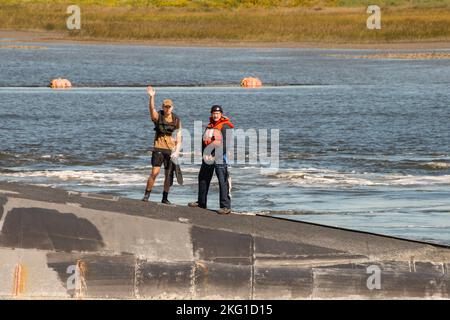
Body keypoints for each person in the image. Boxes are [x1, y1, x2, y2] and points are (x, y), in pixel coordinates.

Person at [188, 105, 234, 214]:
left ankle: (225, 207)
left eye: (217, 113)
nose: (215, 115)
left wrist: (215, 156)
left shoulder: (225, 126)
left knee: (223, 181)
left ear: (221, 114)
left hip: (220, 157)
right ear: (211, 114)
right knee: (203, 178)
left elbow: (226, 145)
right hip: (207, 157)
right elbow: (204, 141)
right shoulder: (209, 126)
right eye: (214, 113)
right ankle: (201, 202)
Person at [142, 86, 182, 204]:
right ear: (163, 107)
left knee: (168, 175)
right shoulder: (158, 116)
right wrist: (152, 97)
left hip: (171, 150)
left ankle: (165, 198)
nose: (167, 109)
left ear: (172, 107)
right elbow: (151, 109)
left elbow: (179, 138)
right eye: (165, 107)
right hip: (159, 148)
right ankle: (147, 194)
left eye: (169, 107)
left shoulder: (176, 120)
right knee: (154, 173)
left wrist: (177, 151)